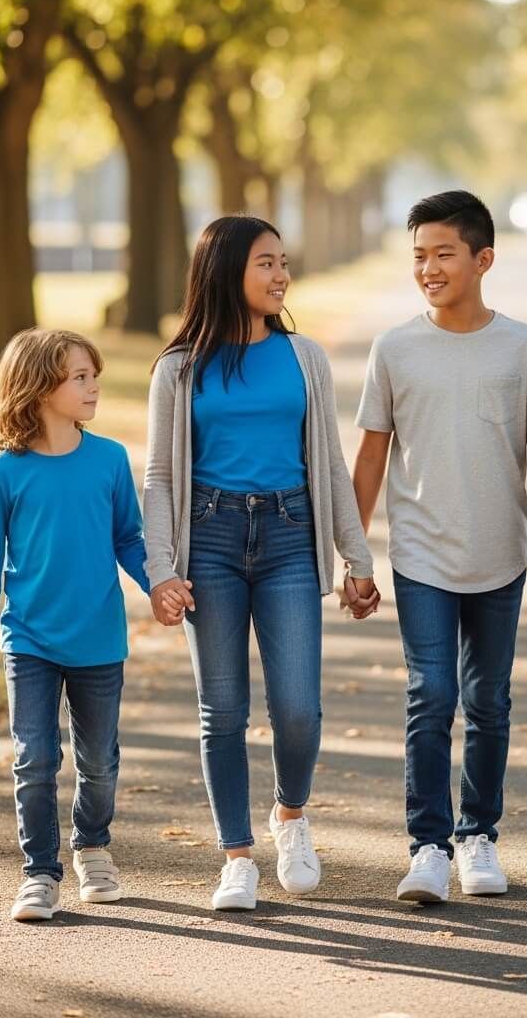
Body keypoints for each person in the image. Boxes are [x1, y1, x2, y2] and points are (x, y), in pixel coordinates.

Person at [144, 214, 379, 913]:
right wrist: (162, 568)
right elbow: (159, 476)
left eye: (283, 262)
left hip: (287, 536)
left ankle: (291, 817)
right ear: (226, 272)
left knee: (298, 709)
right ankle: (237, 857)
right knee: (223, 711)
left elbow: (331, 463)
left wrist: (356, 556)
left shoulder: (304, 356)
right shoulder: (177, 367)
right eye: (266, 264)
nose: (281, 275)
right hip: (209, 538)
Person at [353, 190, 527, 903]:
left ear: (482, 259)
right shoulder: (396, 348)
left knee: (488, 700)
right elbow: (372, 457)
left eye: (443, 254)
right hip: (421, 556)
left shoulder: (525, 348)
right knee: (431, 696)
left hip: (500, 553)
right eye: (419, 256)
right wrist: (354, 553)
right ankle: (429, 844)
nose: (429, 268)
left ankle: (478, 836)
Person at [0, 328, 151, 921]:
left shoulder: (110, 459)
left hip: (99, 639)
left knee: (98, 758)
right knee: (34, 757)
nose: (94, 386)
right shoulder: (5, 472)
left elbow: (129, 539)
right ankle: (40, 873)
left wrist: (163, 587)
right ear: (40, 386)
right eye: (80, 377)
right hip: (30, 641)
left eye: (94, 374)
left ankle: (93, 848)